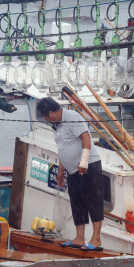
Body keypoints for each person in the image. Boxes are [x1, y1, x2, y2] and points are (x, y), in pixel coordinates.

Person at [36, 97, 104, 251]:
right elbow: (64, 148)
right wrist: (61, 170)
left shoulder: (72, 118)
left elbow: (86, 137)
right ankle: (80, 238)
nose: (46, 120)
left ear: (51, 113)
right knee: (77, 202)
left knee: (93, 201)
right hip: (72, 170)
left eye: (45, 117)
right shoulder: (57, 125)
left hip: (89, 165)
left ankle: (96, 238)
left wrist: (84, 160)